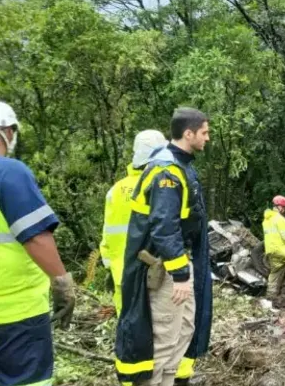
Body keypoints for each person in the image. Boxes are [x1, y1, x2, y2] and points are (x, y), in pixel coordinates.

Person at [115, 108, 213, 386]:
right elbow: (163, 227)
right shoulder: (167, 172)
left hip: (179, 265)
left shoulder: (180, 166)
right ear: (188, 133)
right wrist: (181, 274)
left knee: (183, 331)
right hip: (167, 271)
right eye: (204, 132)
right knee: (163, 339)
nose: (207, 138)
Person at [0, 101, 76, 386]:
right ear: (7, 130)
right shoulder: (8, 172)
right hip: (15, 314)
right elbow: (36, 235)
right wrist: (62, 284)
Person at [101, 130, 168, 314]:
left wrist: (110, 264)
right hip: (154, 272)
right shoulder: (161, 184)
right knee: (157, 331)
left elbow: (107, 235)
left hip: (121, 273)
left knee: (127, 328)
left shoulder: (115, 190)